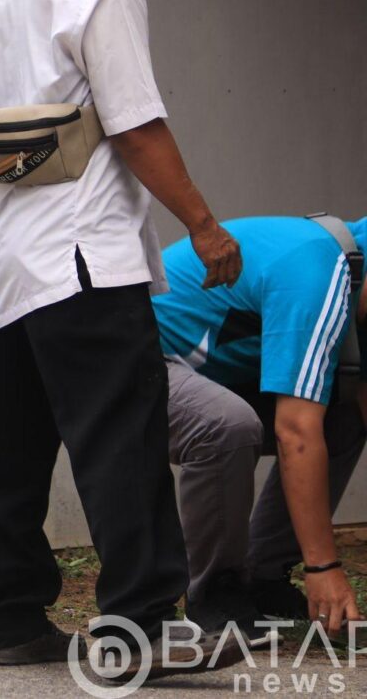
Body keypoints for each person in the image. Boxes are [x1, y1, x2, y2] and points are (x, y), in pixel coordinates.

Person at [0, 0, 244, 674]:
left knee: (15, 451)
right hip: (83, 253)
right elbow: (135, 124)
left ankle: (11, 617)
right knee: (124, 439)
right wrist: (204, 226)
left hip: (7, 253)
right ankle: (139, 627)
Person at [154, 216, 367, 640]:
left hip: (208, 375)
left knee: (347, 417)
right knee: (228, 425)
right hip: (130, 367)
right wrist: (323, 567)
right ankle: (215, 592)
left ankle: (263, 577)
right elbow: (296, 432)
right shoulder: (318, 273)